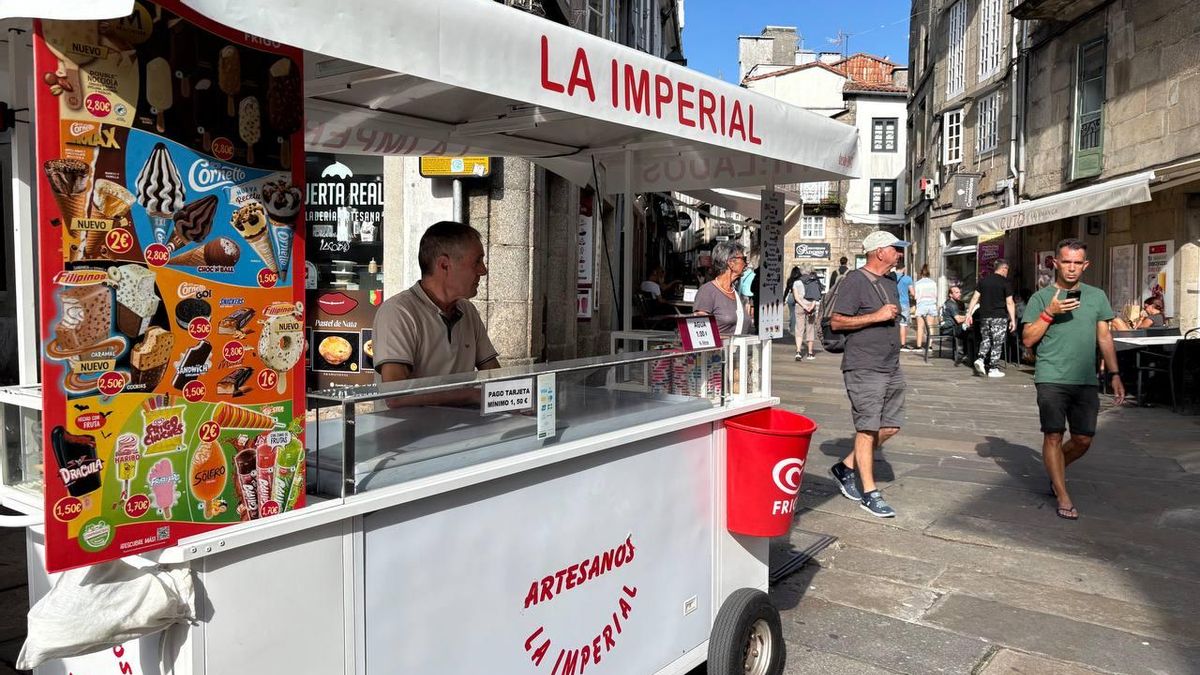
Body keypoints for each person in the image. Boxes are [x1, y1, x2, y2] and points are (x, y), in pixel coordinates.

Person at [1022, 238, 1124, 521]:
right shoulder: (1041, 298)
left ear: (1085, 265)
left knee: (1083, 439)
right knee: (1053, 434)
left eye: (1077, 263)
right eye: (1066, 261)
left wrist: (1115, 373)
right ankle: (1062, 493)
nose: (1071, 268)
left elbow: (1104, 337)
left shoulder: (1096, 296)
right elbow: (1028, 338)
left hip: (1085, 378)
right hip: (1051, 376)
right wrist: (1049, 313)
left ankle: (1056, 475)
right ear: (1055, 262)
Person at [827, 231, 909, 518]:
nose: (899, 253)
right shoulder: (854, 281)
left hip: (891, 364)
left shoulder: (889, 280)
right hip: (864, 366)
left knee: (891, 426)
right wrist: (876, 316)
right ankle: (870, 493)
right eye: (895, 249)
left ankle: (845, 466)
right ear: (879, 252)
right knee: (867, 428)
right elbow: (836, 322)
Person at [373, 221, 499, 405]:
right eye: (477, 261)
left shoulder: (468, 311)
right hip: (409, 432)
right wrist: (469, 395)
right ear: (444, 265)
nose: (484, 270)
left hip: (463, 429)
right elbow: (396, 396)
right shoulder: (398, 312)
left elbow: (494, 374)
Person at [965, 258, 1016, 377]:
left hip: (984, 316)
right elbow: (1010, 302)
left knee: (986, 339)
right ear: (1004, 268)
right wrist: (1012, 319)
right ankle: (993, 368)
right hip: (999, 316)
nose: (1007, 272)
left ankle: (981, 359)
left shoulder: (983, 281)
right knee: (997, 342)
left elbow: (974, 298)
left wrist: (969, 313)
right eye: (1007, 269)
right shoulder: (1006, 282)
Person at [694, 241, 749, 335]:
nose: (746, 263)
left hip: (738, 349)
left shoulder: (735, 292)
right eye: (743, 259)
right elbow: (700, 333)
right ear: (731, 263)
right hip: (719, 349)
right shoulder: (707, 291)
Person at [794, 266, 821, 361]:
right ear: (810, 272)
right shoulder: (814, 281)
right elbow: (816, 296)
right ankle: (810, 353)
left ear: (801, 272)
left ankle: (798, 352)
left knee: (799, 329)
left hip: (800, 306)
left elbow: (796, 297)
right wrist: (811, 306)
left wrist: (803, 306)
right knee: (810, 328)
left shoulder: (796, 282)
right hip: (811, 306)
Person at [940, 284, 970, 363]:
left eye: (959, 292)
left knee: (967, 330)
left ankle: (965, 354)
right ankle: (966, 355)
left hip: (946, 327)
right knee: (969, 332)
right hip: (949, 329)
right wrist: (969, 316)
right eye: (956, 292)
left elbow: (958, 317)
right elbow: (958, 320)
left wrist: (965, 317)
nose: (959, 294)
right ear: (950, 294)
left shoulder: (949, 302)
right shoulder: (952, 305)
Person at [912, 264, 938, 350]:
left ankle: (919, 346)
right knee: (930, 327)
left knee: (920, 326)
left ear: (921, 273)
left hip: (921, 305)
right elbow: (935, 295)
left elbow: (916, 296)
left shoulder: (918, 283)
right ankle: (929, 345)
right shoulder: (933, 283)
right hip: (931, 305)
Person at [894, 260, 913, 351]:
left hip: (893, 303)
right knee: (903, 324)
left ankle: (893, 342)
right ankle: (902, 344)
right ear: (904, 268)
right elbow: (913, 293)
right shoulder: (907, 279)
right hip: (904, 303)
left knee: (894, 323)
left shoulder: (891, 277)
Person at [785, 266, 802, 335]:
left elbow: (786, 290)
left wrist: (784, 298)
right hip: (798, 296)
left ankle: (792, 327)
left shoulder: (790, 279)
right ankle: (795, 328)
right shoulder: (800, 279)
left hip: (791, 296)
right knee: (797, 314)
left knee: (792, 313)